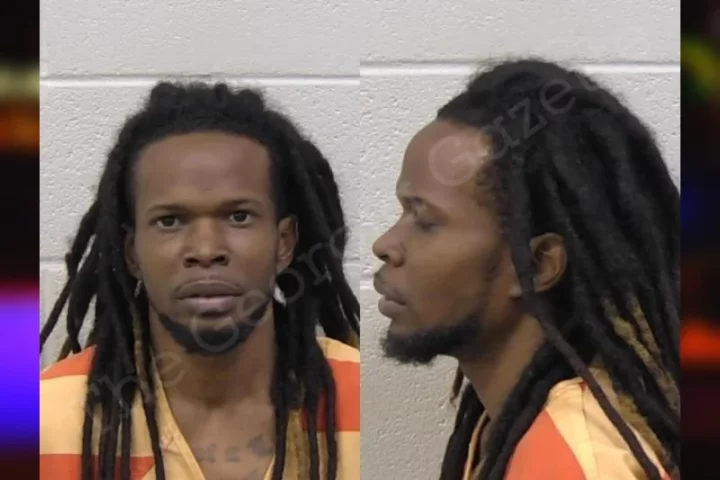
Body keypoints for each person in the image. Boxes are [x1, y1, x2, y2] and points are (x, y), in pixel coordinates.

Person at [372, 59, 679, 480]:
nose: (385, 245)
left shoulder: (574, 461)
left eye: (424, 221)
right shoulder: (514, 422)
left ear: (535, 265)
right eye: (403, 211)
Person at [40, 82, 360, 480]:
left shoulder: (361, 398)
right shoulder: (43, 418)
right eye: (170, 221)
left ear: (283, 242)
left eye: (239, 216)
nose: (206, 250)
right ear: (132, 252)